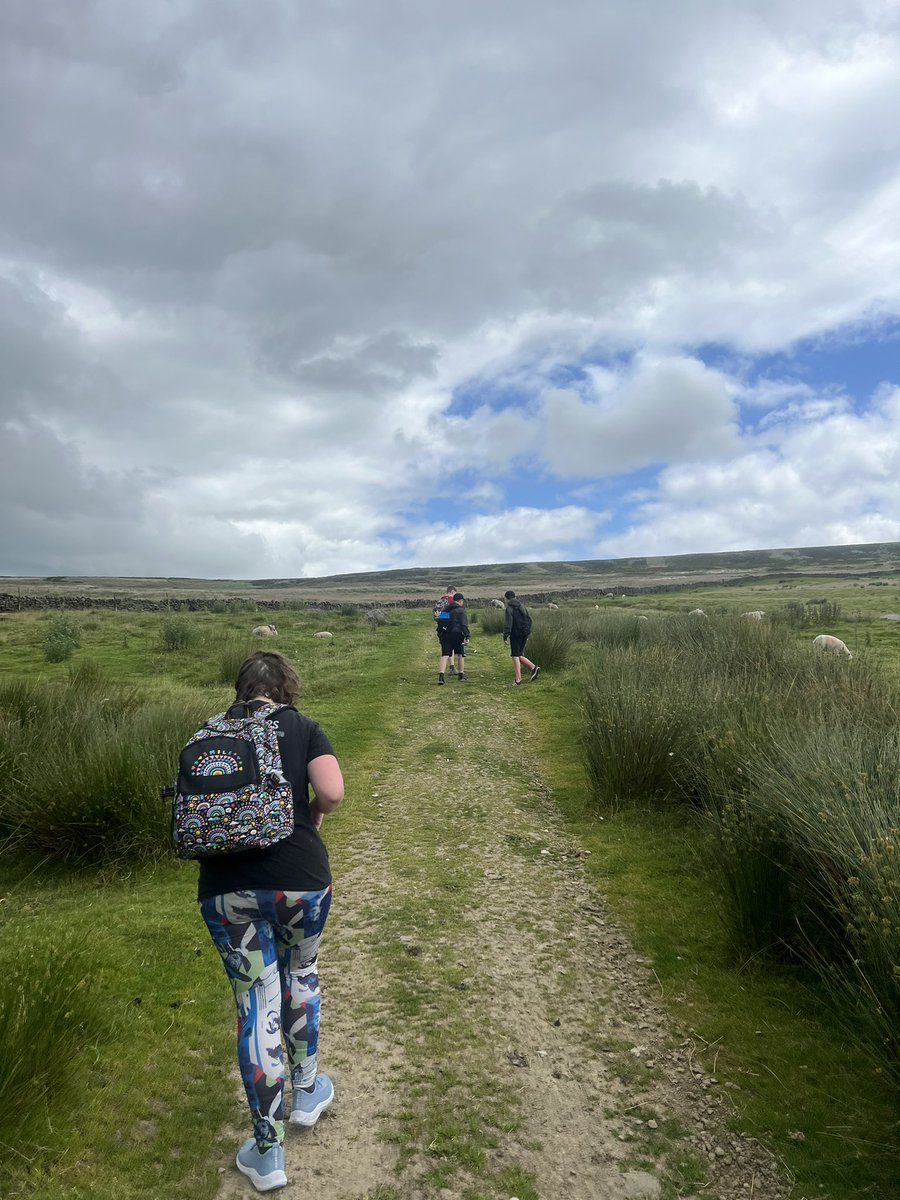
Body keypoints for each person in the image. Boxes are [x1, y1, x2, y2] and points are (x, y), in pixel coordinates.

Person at [198, 650, 344, 1193]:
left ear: (240, 690)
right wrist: (314, 814)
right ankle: (306, 1092)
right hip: (301, 879)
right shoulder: (303, 726)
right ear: (287, 688)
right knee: (301, 974)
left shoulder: (208, 732)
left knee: (256, 1002)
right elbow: (329, 792)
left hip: (225, 890)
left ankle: (267, 1151)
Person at [503, 590, 540, 685]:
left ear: (507, 598)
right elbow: (528, 618)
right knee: (519, 654)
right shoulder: (522, 605)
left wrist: (505, 635)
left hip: (515, 634)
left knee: (515, 656)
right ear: (514, 597)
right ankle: (533, 668)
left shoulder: (509, 608)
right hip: (525, 633)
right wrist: (527, 632)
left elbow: (509, 623)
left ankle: (518, 680)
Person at [438, 593, 470, 684]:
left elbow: (440, 623)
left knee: (445, 655)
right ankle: (461, 675)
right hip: (457, 635)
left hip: (445, 635)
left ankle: (441, 677)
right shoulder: (461, 610)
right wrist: (467, 636)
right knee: (460, 654)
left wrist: (440, 635)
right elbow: (464, 625)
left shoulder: (445, 610)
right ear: (460, 601)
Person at [433, 583, 459, 674]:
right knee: (450, 648)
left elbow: (435, 616)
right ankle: (451, 668)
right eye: (455, 593)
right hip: (452, 628)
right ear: (452, 592)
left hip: (441, 629)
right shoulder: (452, 602)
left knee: (445, 648)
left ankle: (451, 667)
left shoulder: (438, 602)